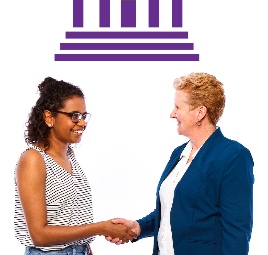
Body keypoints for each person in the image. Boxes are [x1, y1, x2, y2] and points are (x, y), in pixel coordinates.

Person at [107, 72, 254, 255]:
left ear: (200, 112)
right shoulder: (179, 153)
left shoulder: (233, 156)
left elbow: (237, 232)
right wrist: (138, 227)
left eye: (178, 107)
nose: (172, 114)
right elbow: (174, 210)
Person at [14, 77, 135, 255]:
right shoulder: (33, 159)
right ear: (49, 117)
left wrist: (87, 248)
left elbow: (74, 220)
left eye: (84, 116)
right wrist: (101, 228)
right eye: (74, 116)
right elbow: (39, 235)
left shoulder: (69, 156)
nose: (83, 122)